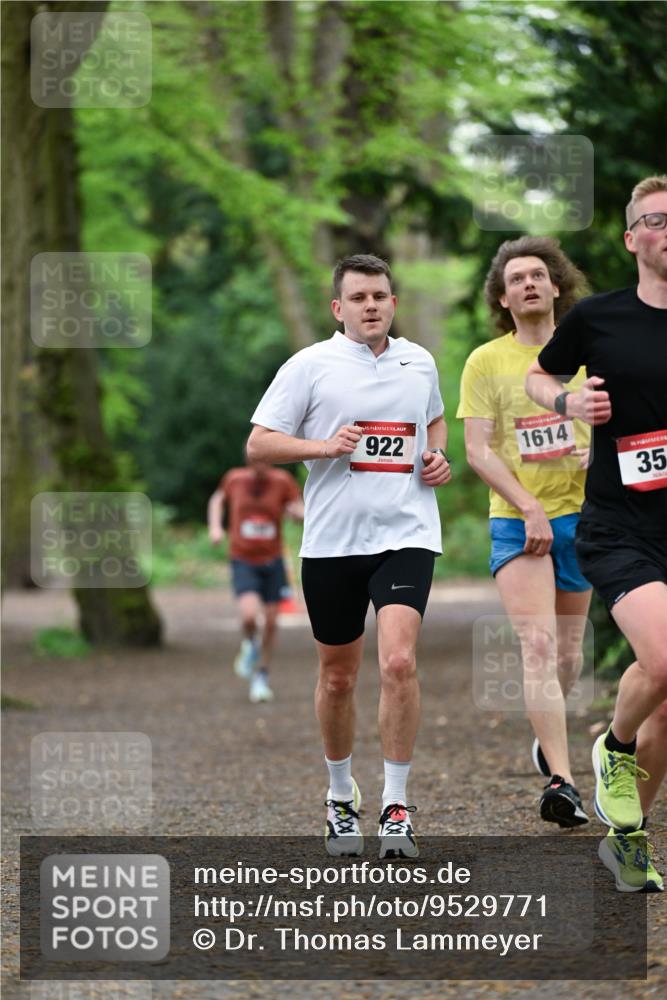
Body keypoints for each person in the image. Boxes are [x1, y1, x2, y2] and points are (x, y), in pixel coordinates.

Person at [247, 254, 451, 858]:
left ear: (393, 303)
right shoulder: (310, 364)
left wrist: (437, 458)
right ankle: (340, 798)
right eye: (359, 297)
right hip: (333, 542)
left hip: (407, 534)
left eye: (380, 296)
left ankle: (395, 807)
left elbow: (433, 421)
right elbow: (258, 443)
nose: (371, 306)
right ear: (338, 308)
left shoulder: (420, 362)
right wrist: (323, 446)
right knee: (338, 676)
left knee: (397, 663)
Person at [525, 175, 667, 892]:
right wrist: (567, 398)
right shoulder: (599, 318)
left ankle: (627, 840)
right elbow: (534, 379)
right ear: (631, 239)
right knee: (664, 660)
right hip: (619, 526)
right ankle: (611, 745)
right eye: (656, 221)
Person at [457, 236, 592, 828]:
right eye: (517, 279)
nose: (530, 284)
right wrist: (527, 506)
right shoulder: (486, 361)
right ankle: (563, 782)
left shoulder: (594, 353)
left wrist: (603, 457)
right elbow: (478, 450)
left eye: (539, 274)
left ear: (557, 287)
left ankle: (548, 738)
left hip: (585, 518)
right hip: (518, 521)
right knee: (536, 646)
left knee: (567, 655)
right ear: (504, 298)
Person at [208, 455, 303, 703]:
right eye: (254, 459)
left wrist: (298, 514)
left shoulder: (282, 481)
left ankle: (261, 676)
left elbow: (299, 508)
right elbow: (217, 500)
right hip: (243, 559)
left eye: (264, 460)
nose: (259, 464)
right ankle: (250, 644)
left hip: (273, 560)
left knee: (271, 622)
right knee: (249, 615)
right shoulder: (234, 478)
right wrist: (216, 527)